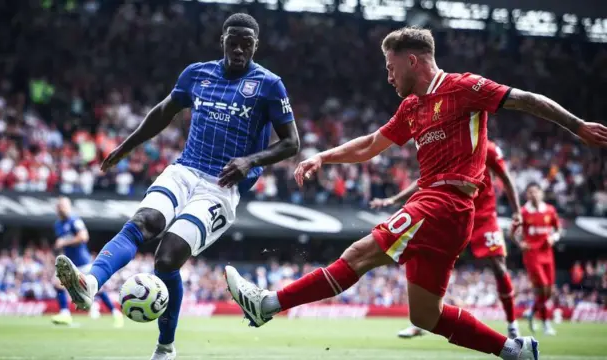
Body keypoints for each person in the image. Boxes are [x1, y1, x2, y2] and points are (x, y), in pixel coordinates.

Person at [225, 27, 607, 360]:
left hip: (446, 201)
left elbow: (526, 99)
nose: (388, 77)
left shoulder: (463, 87)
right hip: (440, 208)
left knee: (359, 254)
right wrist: (324, 156)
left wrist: (577, 127)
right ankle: (516, 351)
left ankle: (267, 304)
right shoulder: (411, 107)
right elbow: (372, 143)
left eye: (391, 68)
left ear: (412, 61)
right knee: (425, 316)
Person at [55, 13, 299, 360]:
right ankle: (90, 283)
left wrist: (251, 161)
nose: (240, 49)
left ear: (255, 45)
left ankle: (165, 346)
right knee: (144, 222)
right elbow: (164, 111)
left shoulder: (269, 84)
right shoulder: (197, 73)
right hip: (185, 169)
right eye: (234, 41)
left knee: (167, 259)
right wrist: (126, 146)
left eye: (247, 43)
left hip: (221, 186)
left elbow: (292, 143)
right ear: (223, 40)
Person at [371, 140, 522, 339]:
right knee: (429, 261)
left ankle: (512, 324)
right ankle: (421, 322)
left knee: (499, 266)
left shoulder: (489, 149)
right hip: (453, 213)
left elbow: (506, 178)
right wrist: (393, 200)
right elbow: (424, 180)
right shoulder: (449, 145)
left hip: (484, 217)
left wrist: (517, 212)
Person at [50, 196, 124, 328]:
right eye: (60, 206)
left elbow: (84, 237)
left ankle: (115, 312)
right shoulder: (58, 225)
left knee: (96, 289)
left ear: (68, 207)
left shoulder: (74, 220)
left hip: (83, 262)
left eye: (64, 206)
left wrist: (64, 242)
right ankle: (65, 314)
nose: (62, 208)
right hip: (70, 262)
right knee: (57, 284)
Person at [514, 183, 561, 335]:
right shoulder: (523, 212)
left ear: (541, 193)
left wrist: (554, 237)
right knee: (543, 288)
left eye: (536, 191)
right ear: (527, 195)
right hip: (532, 255)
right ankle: (546, 323)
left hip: (547, 254)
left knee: (548, 291)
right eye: (530, 192)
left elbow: (558, 229)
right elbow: (512, 232)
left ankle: (532, 311)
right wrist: (520, 243)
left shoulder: (550, 210)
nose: (533, 194)